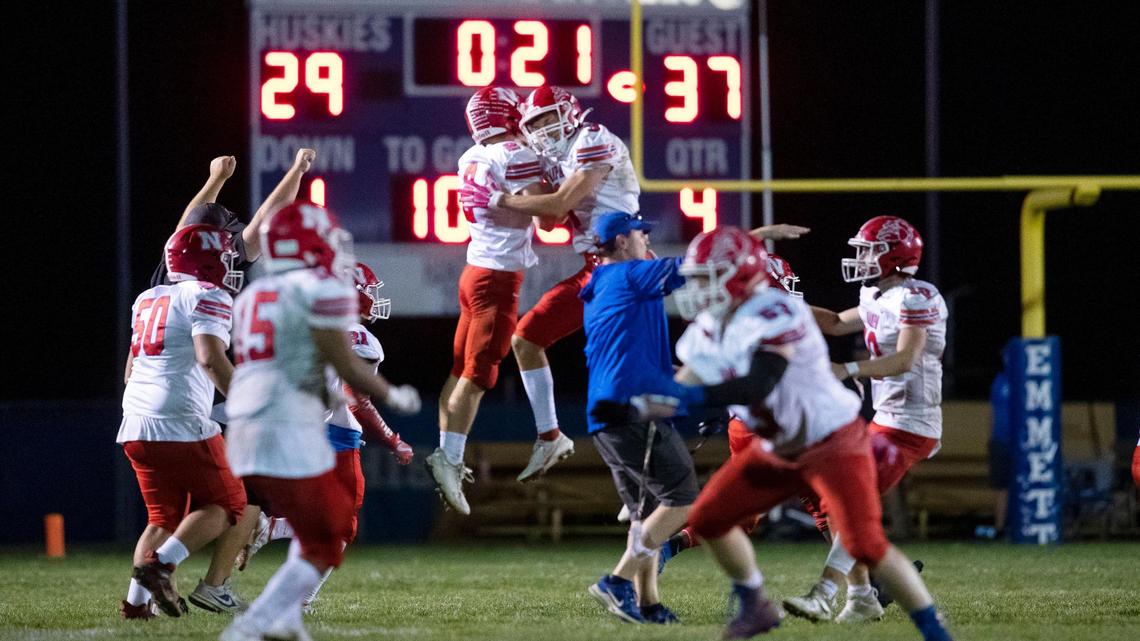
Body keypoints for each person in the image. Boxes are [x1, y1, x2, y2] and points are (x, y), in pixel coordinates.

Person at [599, 226, 953, 641]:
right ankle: (754, 606)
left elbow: (757, 383)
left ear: (741, 276)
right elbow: (685, 383)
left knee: (865, 544)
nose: (696, 287)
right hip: (778, 445)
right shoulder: (707, 329)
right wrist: (634, 399)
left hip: (832, 441)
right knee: (712, 517)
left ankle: (934, 630)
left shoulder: (778, 312)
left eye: (706, 276)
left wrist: (671, 397)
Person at [220, 203, 420, 641]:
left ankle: (285, 615)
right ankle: (250, 629)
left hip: (245, 425)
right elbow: (348, 368)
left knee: (321, 529)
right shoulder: (322, 293)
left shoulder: (254, 294)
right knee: (332, 533)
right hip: (294, 425)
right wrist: (394, 396)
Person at [150, 149, 319, 613]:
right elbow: (194, 227)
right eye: (223, 239)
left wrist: (293, 173)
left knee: (175, 512)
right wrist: (214, 183)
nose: (234, 248)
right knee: (236, 501)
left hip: (167, 402)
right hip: (198, 400)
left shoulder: (180, 276)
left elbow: (263, 220)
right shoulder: (196, 280)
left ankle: (142, 596)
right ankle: (197, 580)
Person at [783, 215, 948, 623]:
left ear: (894, 256)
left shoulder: (917, 297)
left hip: (912, 424)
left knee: (848, 499)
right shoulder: (877, 296)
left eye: (870, 249)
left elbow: (905, 359)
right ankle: (864, 598)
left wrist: (849, 370)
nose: (861, 257)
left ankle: (826, 595)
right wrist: (787, 307)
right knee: (835, 501)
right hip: (886, 419)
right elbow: (838, 324)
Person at [474, 85, 640, 486]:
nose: (543, 129)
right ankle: (550, 436)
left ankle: (647, 476)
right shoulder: (555, 158)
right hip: (595, 270)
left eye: (549, 117)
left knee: (623, 379)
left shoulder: (593, 138)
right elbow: (546, 223)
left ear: (569, 112)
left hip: (624, 270)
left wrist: (497, 199)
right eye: (535, 123)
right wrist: (526, 178)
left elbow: (557, 205)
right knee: (526, 339)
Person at [428, 87, 566, 514]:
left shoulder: (472, 156)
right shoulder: (512, 154)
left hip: (474, 273)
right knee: (480, 374)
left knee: (458, 372)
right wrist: (560, 184)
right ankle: (449, 459)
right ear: (506, 116)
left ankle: (444, 452)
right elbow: (547, 218)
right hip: (498, 280)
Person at [118, 224, 248, 619]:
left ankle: (137, 605)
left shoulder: (147, 298)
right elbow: (209, 358)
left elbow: (130, 370)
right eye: (224, 256)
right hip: (179, 420)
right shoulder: (207, 294)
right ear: (205, 259)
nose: (228, 265)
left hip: (136, 421)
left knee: (162, 517)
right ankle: (162, 564)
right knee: (231, 502)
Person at [578, 212, 696, 625]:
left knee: (647, 515)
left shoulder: (602, 283)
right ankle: (616, 581)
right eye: (640, 232)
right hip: (632, 408)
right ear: (623, 242)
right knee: (682, 500)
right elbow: (700, 263)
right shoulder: (629, 275)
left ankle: (648, 603)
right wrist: (752, 239)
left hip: (605, 413)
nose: (647, 237)